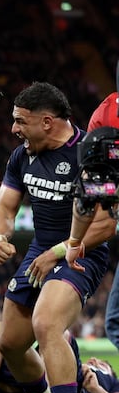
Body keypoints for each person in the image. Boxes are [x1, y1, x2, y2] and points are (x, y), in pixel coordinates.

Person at [0, 81, 114, 393]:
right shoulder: (22, 155)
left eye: (20, 121)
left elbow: (106, 224)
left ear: (47, 121)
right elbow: (4, 208)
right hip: (38, 252)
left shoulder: (91, 154)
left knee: (46, 324)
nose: (14, 129)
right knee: (10, 343)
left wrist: (58, 252)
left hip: (81, 253)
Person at [81, 91, 119, 352]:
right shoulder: (106, 111)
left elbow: (96, 181)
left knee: (115, 321)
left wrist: (66, 246)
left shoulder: (107, 111)